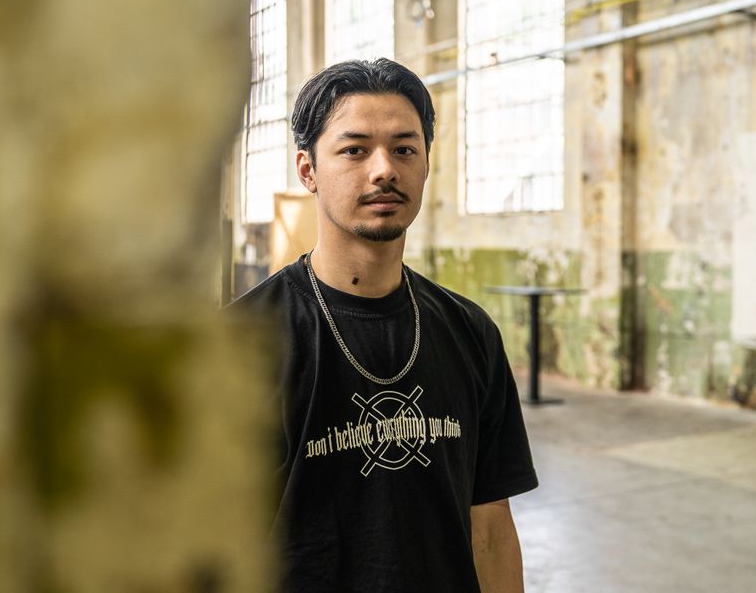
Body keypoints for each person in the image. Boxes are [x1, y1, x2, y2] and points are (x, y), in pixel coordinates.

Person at [229, 58, 538, 592]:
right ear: (308, 170)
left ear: (426, 164)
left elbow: (489, 528)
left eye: (404, 149)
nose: (383, 170)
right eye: (355, 150)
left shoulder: (471, 333)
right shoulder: (240, 343)